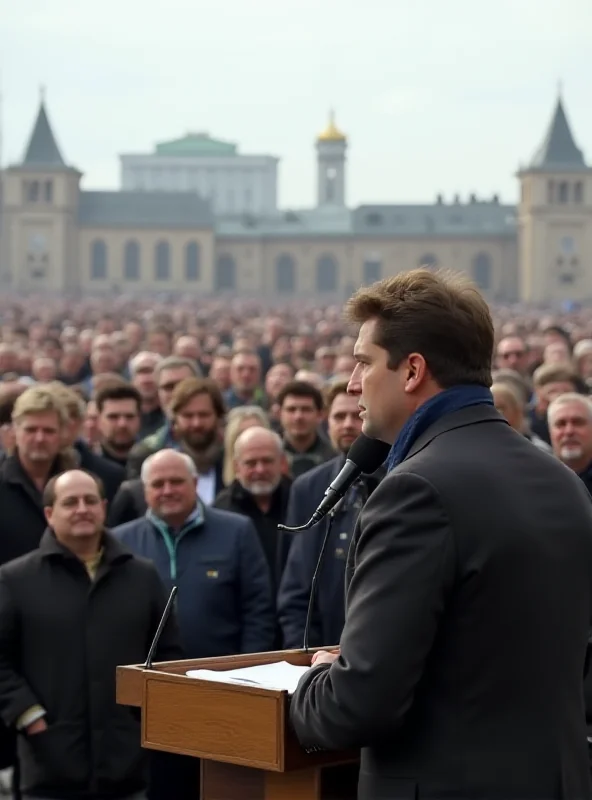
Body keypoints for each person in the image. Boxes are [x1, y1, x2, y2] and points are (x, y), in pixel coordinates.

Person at [289, 269, 592, 800]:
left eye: (362, 362)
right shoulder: (562, 482)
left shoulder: (415, 491)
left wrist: (312, 680)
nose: (352, 383)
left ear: (412, 371)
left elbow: (356, 708)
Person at [0, 469, 182, 800]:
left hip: (127, 768)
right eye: (70, 502)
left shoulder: (142, 576)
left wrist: (141, 718)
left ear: (104, 507)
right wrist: (29, 717)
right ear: (49, 514)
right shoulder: (15, 579)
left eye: (90, 500)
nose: (82, 509)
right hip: (49, 768)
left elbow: (168, 654)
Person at [278, 380, 382, 649]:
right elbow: (297, 581)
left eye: (356, 415)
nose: (347, 424)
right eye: (339, 416)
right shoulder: (308, 486)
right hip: (320, 647)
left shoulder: (399, 478)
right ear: (327, 421)